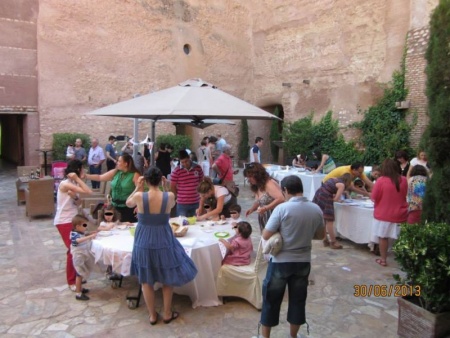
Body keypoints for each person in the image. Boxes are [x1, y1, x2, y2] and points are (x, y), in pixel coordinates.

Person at [126, 166, 197, 325]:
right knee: (167, 276)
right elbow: (171, 205)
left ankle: (152, 315)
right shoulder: (169, 196)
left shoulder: (139, 196)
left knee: (146, 279)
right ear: (160, 179)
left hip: (144, 237)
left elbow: (128, 203)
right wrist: (166, 186)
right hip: (163, 237)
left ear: (146, 180)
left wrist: (138, 187)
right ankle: (167, 313)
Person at [256, 175, 324, 338]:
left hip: (281, 262)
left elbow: (266, 234)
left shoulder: (282, 209)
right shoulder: (315, 209)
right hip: (303, 262)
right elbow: (321, 236)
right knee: (298, 301)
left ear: (285, 190)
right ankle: (293, 336)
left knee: (271, 300)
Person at [54, 159, 92, 292]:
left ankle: (78, 278)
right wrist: (77, 178)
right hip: (64, 221)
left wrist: (75, 197)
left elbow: (79, 200)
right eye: (82, 169)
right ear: (76, 170)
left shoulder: (73, 183)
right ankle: (72, 281)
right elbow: (88, 191)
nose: (84, 171)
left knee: (76, 249)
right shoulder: (65, 183)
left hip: (73, 220)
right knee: (73, 250)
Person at [371, 158, 408, 266]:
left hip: (384, 214)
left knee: (383, 237)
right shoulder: (404, 180)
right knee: (400, 237)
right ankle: (404, 259)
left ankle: (383, 259)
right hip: (401, 213)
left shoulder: (381, 181)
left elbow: (374, 197)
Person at [85, 153, 140, 222]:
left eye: (119, 161)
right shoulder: (115, 172)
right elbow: (100, 177)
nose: (117, 162)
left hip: (128, 208)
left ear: (126, 164)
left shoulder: (135, 175)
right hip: (115, 207)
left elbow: (140, 192)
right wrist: (86, 176)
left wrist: (139, 206)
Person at [313, 173, 353, 249]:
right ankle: (333, 241)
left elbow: (330, 189)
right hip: (326, 197)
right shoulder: (342, 185)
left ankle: (325, 238)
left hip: (319, 194)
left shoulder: (334, 179)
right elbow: (335, 199)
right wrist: (340, 200)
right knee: (329, 220)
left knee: (323, 219)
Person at [244, 162, 284, 232]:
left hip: (273, 216)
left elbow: (281, 198)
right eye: (247, 177)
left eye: (250, 176)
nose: (249, 179)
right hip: (264, 216)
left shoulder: (268, 184)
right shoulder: (257, 185)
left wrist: (266, 208)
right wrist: (252, 209)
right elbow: (259, 201)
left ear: (257, 175)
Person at [70, 214, 98, 301]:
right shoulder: (74, 234)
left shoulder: (80, 232)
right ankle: (78, 293)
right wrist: (90, 237)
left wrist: (92, 233)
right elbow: (77, 240)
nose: (86, 227)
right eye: (84, 225)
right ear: (77, 226)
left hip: (83, 256)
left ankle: (80, 288)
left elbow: (85, 234)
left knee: (82, 273)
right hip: (78, 257)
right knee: (79, 274)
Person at [170, 150, 204, 217]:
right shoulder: (176, 171)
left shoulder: (198, 168)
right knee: (182, 224)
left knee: (197, 224)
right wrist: (176, 196)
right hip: (182, 204)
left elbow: (201, 182)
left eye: (186, 161)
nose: (185, 164)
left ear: (189, 158)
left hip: (196, 202)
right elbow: (172, 186)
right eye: (182, 162)